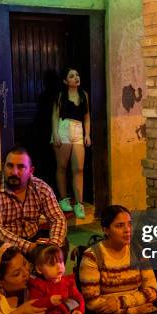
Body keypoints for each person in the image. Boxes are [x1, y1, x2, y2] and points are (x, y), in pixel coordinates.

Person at [0, 146, 67, 256]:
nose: (14, 172)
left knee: (61, 245)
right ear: (3, 167)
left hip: (32, 236)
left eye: (21, 167)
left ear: (31, 171)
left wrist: (53, 244)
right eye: (10, 166)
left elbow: (57, 218)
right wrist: (31, 248)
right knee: (6, 254)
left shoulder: (41, 188)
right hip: (1, 243)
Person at [51, 67, 91, 219]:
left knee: (78, 168)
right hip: (63, 127)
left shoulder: (83, 95)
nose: (76, 78)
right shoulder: (61, 95)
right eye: (72, 76)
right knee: (62, 166)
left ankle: (79, 203)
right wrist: (55, 133)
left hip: (78, 129)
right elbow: (54, 115)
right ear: (65, 81)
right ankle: (63, 199)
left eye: (77, 75)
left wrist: (87, 134)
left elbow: (87, 117)